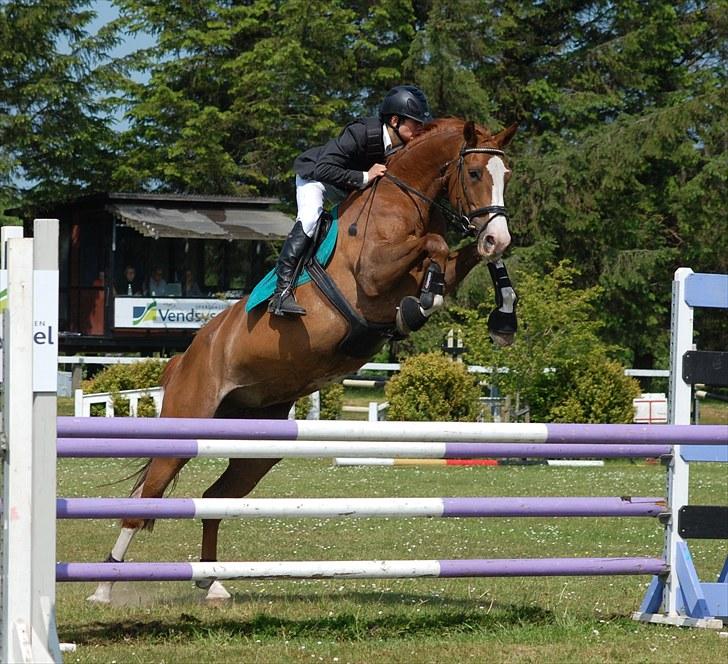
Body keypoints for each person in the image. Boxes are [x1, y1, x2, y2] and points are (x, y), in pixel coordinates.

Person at [268, 84, 432, 316]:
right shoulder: (362, 132)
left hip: (347, 185)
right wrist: (365, 176)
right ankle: (281, 293)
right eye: (415, 123)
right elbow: (324, 168)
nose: (419, 129)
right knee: (310, 219)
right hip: (316, 178)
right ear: (395, 121)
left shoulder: (402, 148)